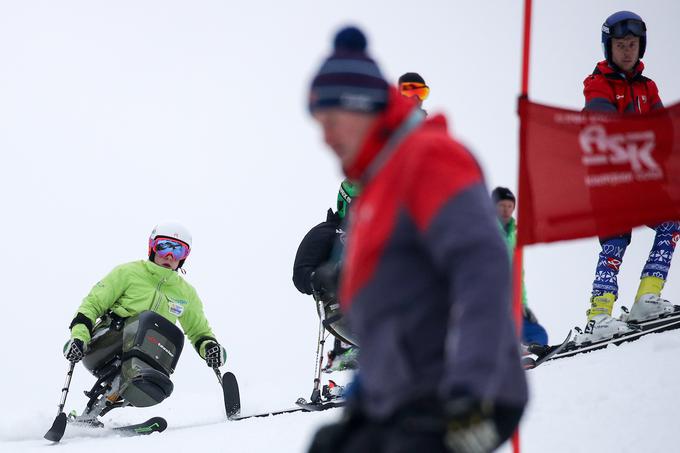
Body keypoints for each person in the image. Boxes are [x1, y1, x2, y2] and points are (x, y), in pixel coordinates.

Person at [306, 26, 527, 453]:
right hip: (405, 397)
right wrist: (362, 405)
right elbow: (392, 320)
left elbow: (481, 266)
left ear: (362, 110)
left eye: (331, 121)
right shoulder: (374, 193)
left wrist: (472, 385)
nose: (325, 137)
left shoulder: (429, 157)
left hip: (464, 390)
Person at [578, 11, 679, 343]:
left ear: (641, 47)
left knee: (672, 219)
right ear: (609, 47)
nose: (626, 51)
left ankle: (646, 298)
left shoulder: (648, 88)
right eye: (620, 45)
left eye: (632, 45)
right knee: (615, 242)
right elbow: (601, 116)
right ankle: (599, 316)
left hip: (640, 182)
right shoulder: (598, 83)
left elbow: (664, 129)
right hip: (610, 183)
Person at [63, 222, 227, 423]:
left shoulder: (186, 293)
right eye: (164, 246)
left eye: (178, 250)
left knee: (169, 336)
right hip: (104, 345)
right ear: (152, 248)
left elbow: (199, 331)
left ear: (184, 257)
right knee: (147, 321)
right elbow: (91, 306)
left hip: (144, 358)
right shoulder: (128, 272)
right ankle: (115, 390)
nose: (169, 256)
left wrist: (210, 347)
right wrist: (78, 338)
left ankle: (92, 415)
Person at [293, 179, 360, 372]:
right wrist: (323, 277)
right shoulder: (326, 233)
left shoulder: (374, 234)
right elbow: (300, 274)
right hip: (339, 307)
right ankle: (345, 351)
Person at [491, 186, 549, 348]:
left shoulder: (514, 235)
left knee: (537, 333)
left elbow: (518, 274)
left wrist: (522, 303)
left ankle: (533, 349)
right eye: (502, 205)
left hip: (512, 300)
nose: (506, 210)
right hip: (492, 299)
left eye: (510, 206)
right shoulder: (486, 229)